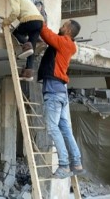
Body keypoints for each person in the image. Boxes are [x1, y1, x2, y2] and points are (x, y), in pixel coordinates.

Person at [38, 20, 86, 179]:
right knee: (65, 128)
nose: (61, 25)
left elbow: (46, 34)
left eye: (64, 25)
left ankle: (64, 165)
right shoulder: (68, 44)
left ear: (68, 31)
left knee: (52, 128)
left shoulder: (64, 42)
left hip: (53, 89)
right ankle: (77, 163)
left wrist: (39, 19)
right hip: (61, 91)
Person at [0, 0, 44, 81]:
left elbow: (15, 12)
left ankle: (26, 45)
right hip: (39, 22)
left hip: (30, 20)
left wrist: (6, 22)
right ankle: (29, 72)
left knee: (16, 33)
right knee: (31, 50)